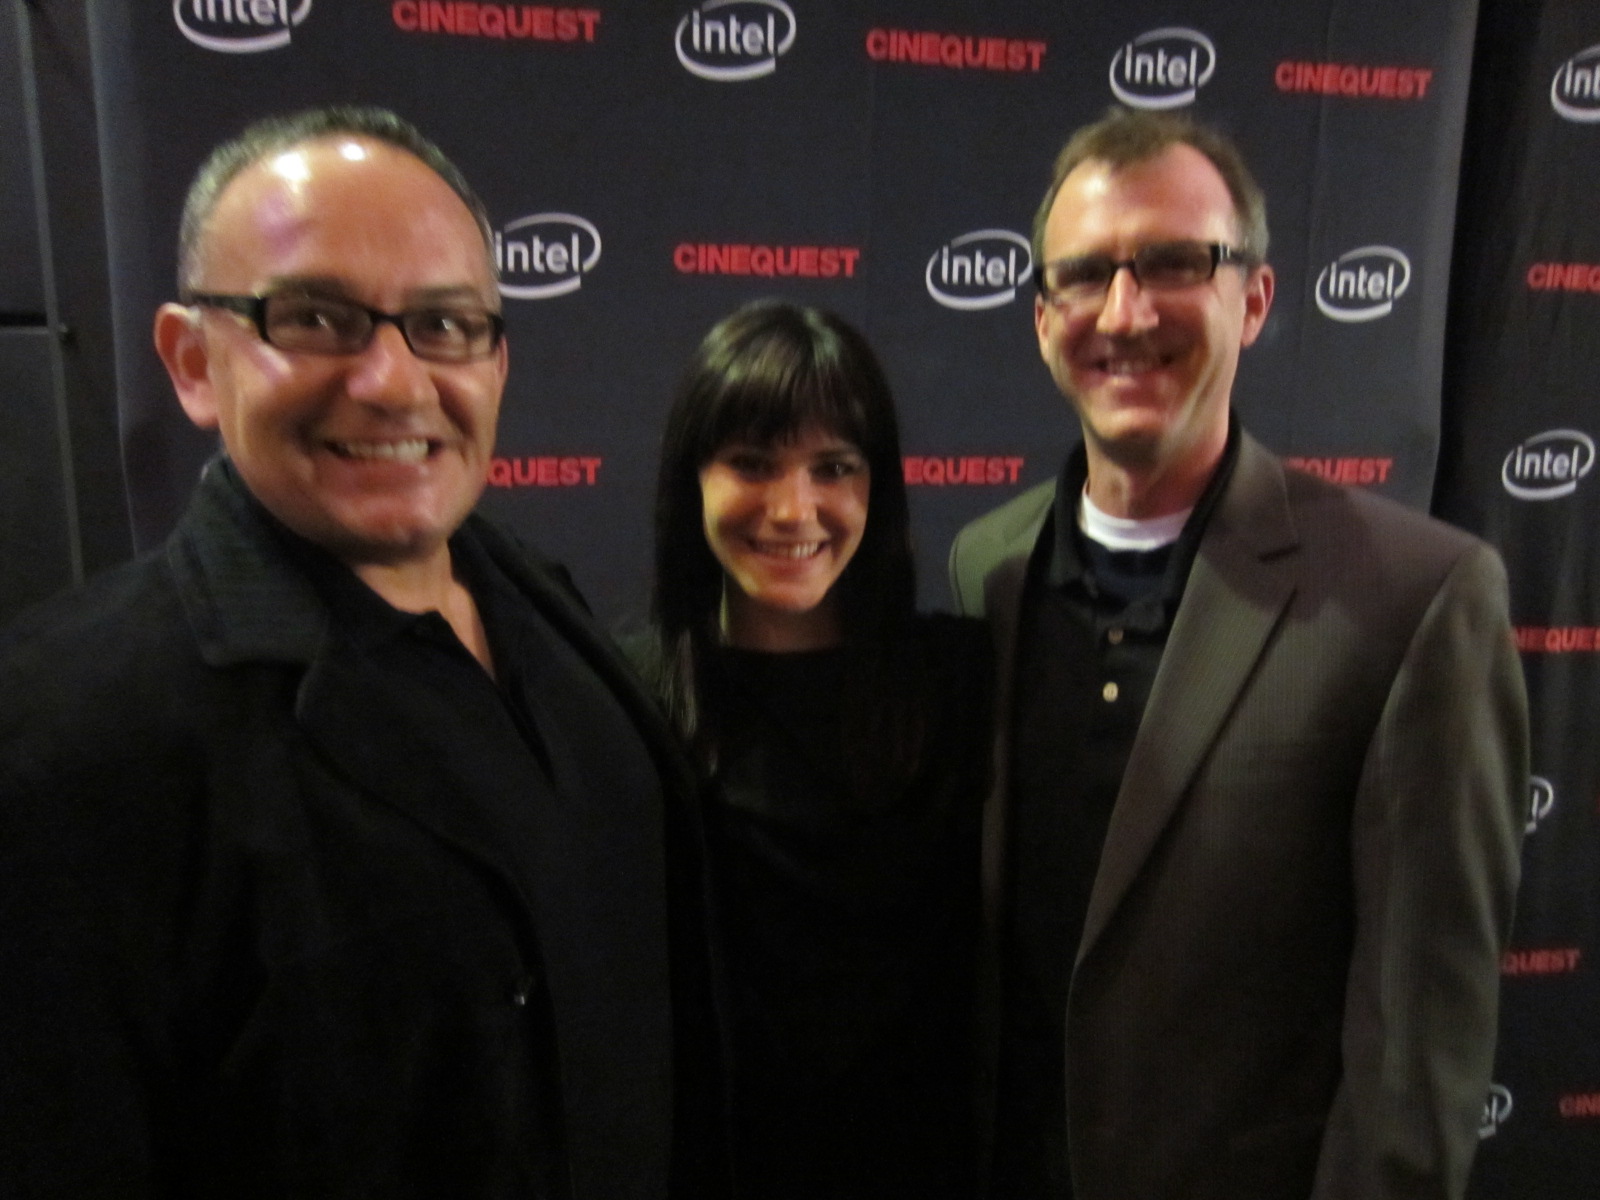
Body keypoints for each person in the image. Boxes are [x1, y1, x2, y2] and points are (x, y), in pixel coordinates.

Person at [0, 107, 720, 1198]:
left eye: (443, 325)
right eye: (317, 316)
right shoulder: (65, 739)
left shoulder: (546, 607)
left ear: (494, 359)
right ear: (193, 362)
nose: (392, 380)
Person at [948, 107, 1528, 1200]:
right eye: (1084, 275)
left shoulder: (1416, 598)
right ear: (1040, 318)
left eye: (1172, 263)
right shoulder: (988, 568)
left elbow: (1416, 1070)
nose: (1124, 311)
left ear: (1252, 298)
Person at [639, 300, 991, 1198]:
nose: (794, 509)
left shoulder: (962, 682)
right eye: (752, 464)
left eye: (833, 468)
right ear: (694, 481)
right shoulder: (627, 695)